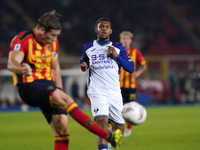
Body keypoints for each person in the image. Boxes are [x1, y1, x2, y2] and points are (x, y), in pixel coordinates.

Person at [7, 11, 122, 150]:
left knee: (62, 129)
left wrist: (59, 90)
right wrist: (21, 68)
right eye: (52, 35)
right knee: (67, 100)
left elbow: (55, 68)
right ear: (42, 30)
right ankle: (107, 136)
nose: (55, 39)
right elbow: (11, 63)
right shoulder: (22, 40)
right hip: (29, 85)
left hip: (48, 85)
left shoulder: (53, 42)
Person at [80, 17, 134, 150]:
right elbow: (84, 61)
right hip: (97, 91)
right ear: (96, 29)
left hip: (115, 93)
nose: (104, 29)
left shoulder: (119, 48)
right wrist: (83, 66)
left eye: (107, 27)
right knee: (102, 121)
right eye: (101, 26)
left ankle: (109, 141)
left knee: (118, 131)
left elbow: (131, 68)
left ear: (111, 31)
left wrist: (117, 56)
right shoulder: (88, 46)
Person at [119, 31, 147, 136]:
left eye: (127, 38)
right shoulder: (116, 51)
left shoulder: (136, 51)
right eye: (123, 38)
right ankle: (117, 128)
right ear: (120, 40)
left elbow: (144, 65)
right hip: (117, 84)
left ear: (130, 40)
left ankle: (129, 129)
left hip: (131, 85)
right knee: (116, 107)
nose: (125, 40)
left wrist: (138, 72)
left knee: (130, 107)